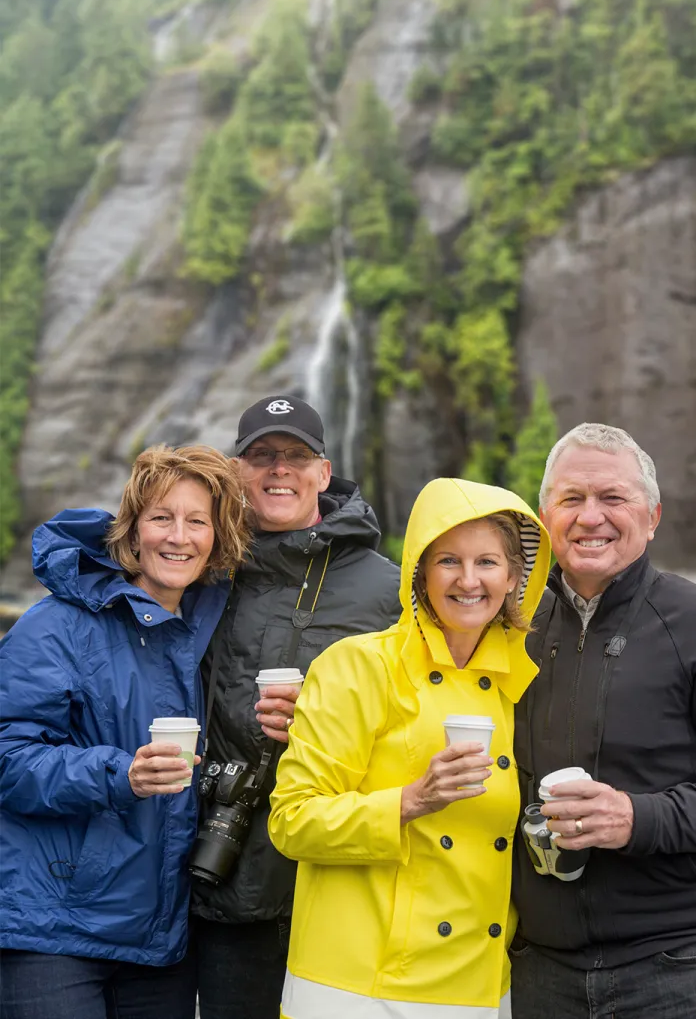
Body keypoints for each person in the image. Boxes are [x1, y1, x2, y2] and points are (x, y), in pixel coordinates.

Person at [268, 476, 551, 1019]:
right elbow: (292, 820)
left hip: (479, 984)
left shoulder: (523, 683)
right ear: (419, 570)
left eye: (487, 562)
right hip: (356, 986)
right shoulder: (358, 666)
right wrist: (411, 800)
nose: (469, 580)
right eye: (449, 560)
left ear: (515, 576)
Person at [0, 445, 248, 1019]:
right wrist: (121, 773)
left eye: (197, 522)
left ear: (218, 538)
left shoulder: (212, 626)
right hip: (53, 926)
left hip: (159, 935)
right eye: (161, 518)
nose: (178, 537)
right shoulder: (55, 625)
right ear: (132, 531)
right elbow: (9, 757)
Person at [190, 394, 402, 1019]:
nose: (279, 469)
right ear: (236, 471)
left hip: (338, 876)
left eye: (296, 456)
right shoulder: (198, 569)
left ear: (323, 473)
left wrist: (327, 712)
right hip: (219, 875)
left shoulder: (388, 589)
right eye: (262, 455)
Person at [511, 423, 696, 1019]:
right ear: (545, 516)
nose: (591, 517)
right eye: (572, 499)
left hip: (672, 966)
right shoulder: (506, 628)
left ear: (653, 515)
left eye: (613, 498)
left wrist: (636, 817)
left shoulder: (690, 622)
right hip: (535, 968)